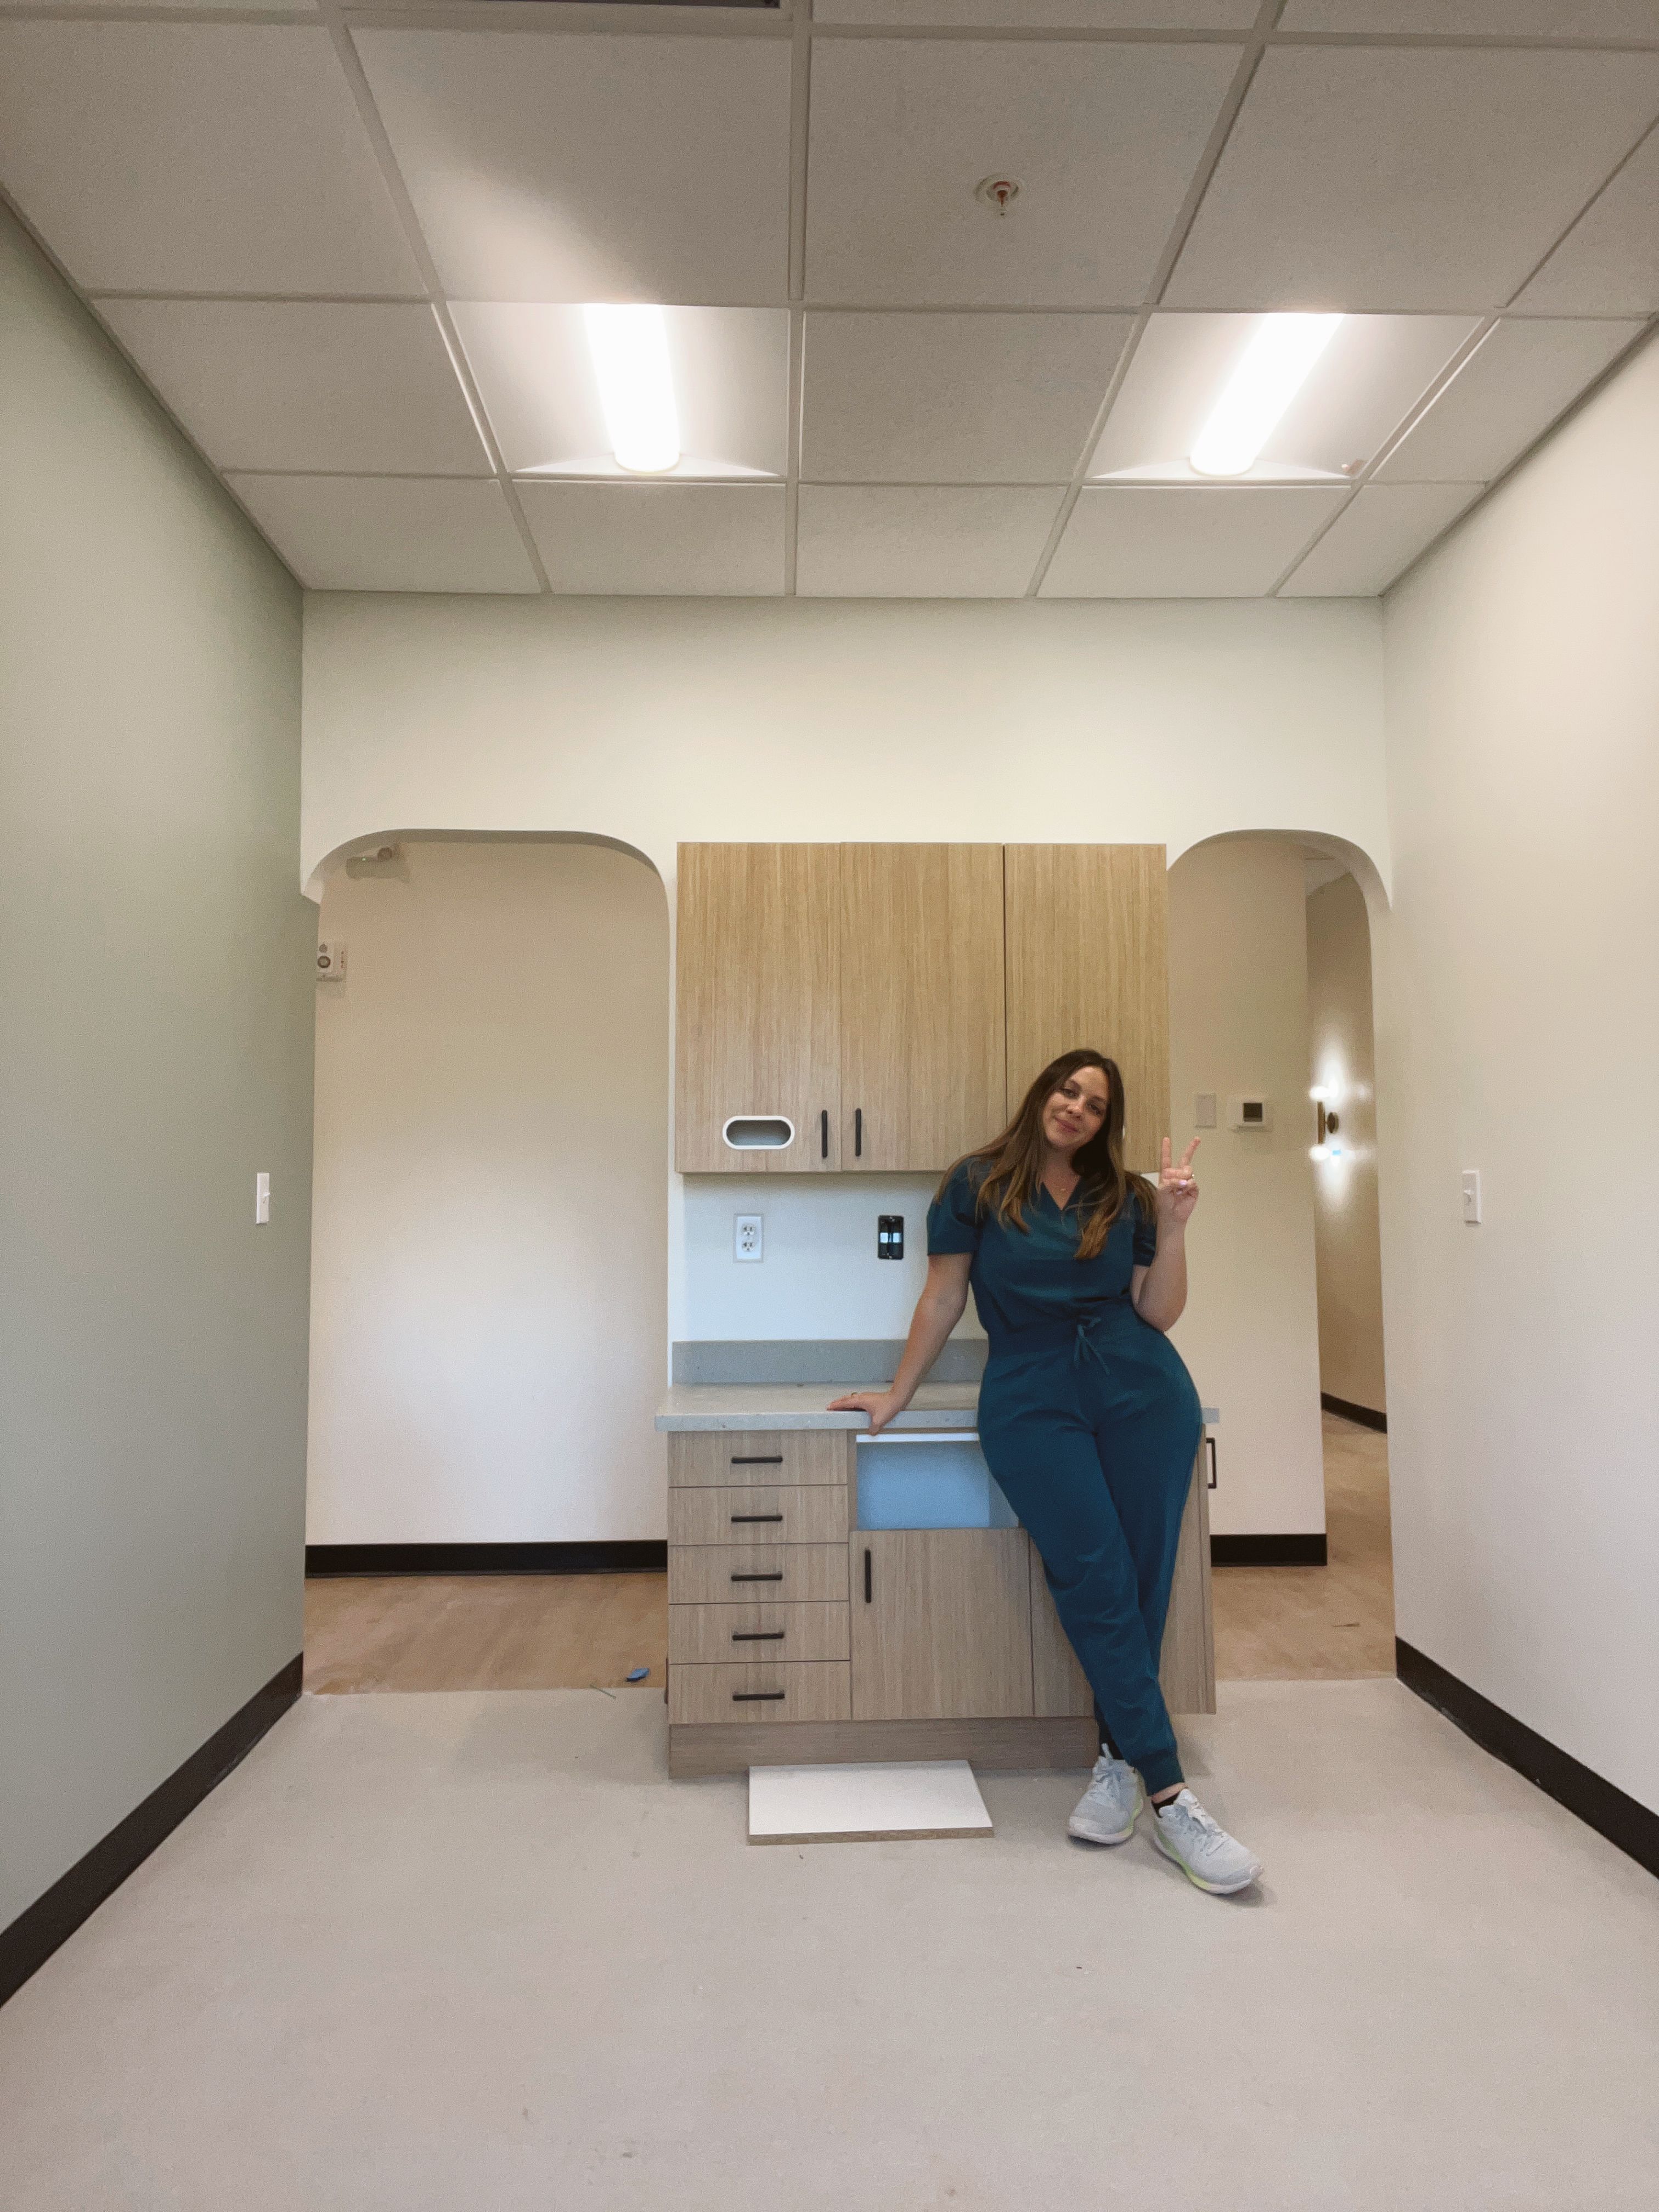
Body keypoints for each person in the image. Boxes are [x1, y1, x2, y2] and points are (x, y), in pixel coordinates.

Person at [830, 1048, 1262, 1897]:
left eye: (1097, 1105)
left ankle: (1115, 1764)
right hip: (1030, 1394)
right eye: (1069, 1090)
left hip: (1141, 1387)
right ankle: (1172, 1797)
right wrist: (896, 1392)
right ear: (1042, 1093)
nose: (1077, 1109)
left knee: (1142, 1580)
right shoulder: (977, 1184)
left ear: (1108, 1123)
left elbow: (1159, 1310)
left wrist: (1174, 1228)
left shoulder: (1129, 1196)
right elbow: (944, 1298)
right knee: (1092, 1575)